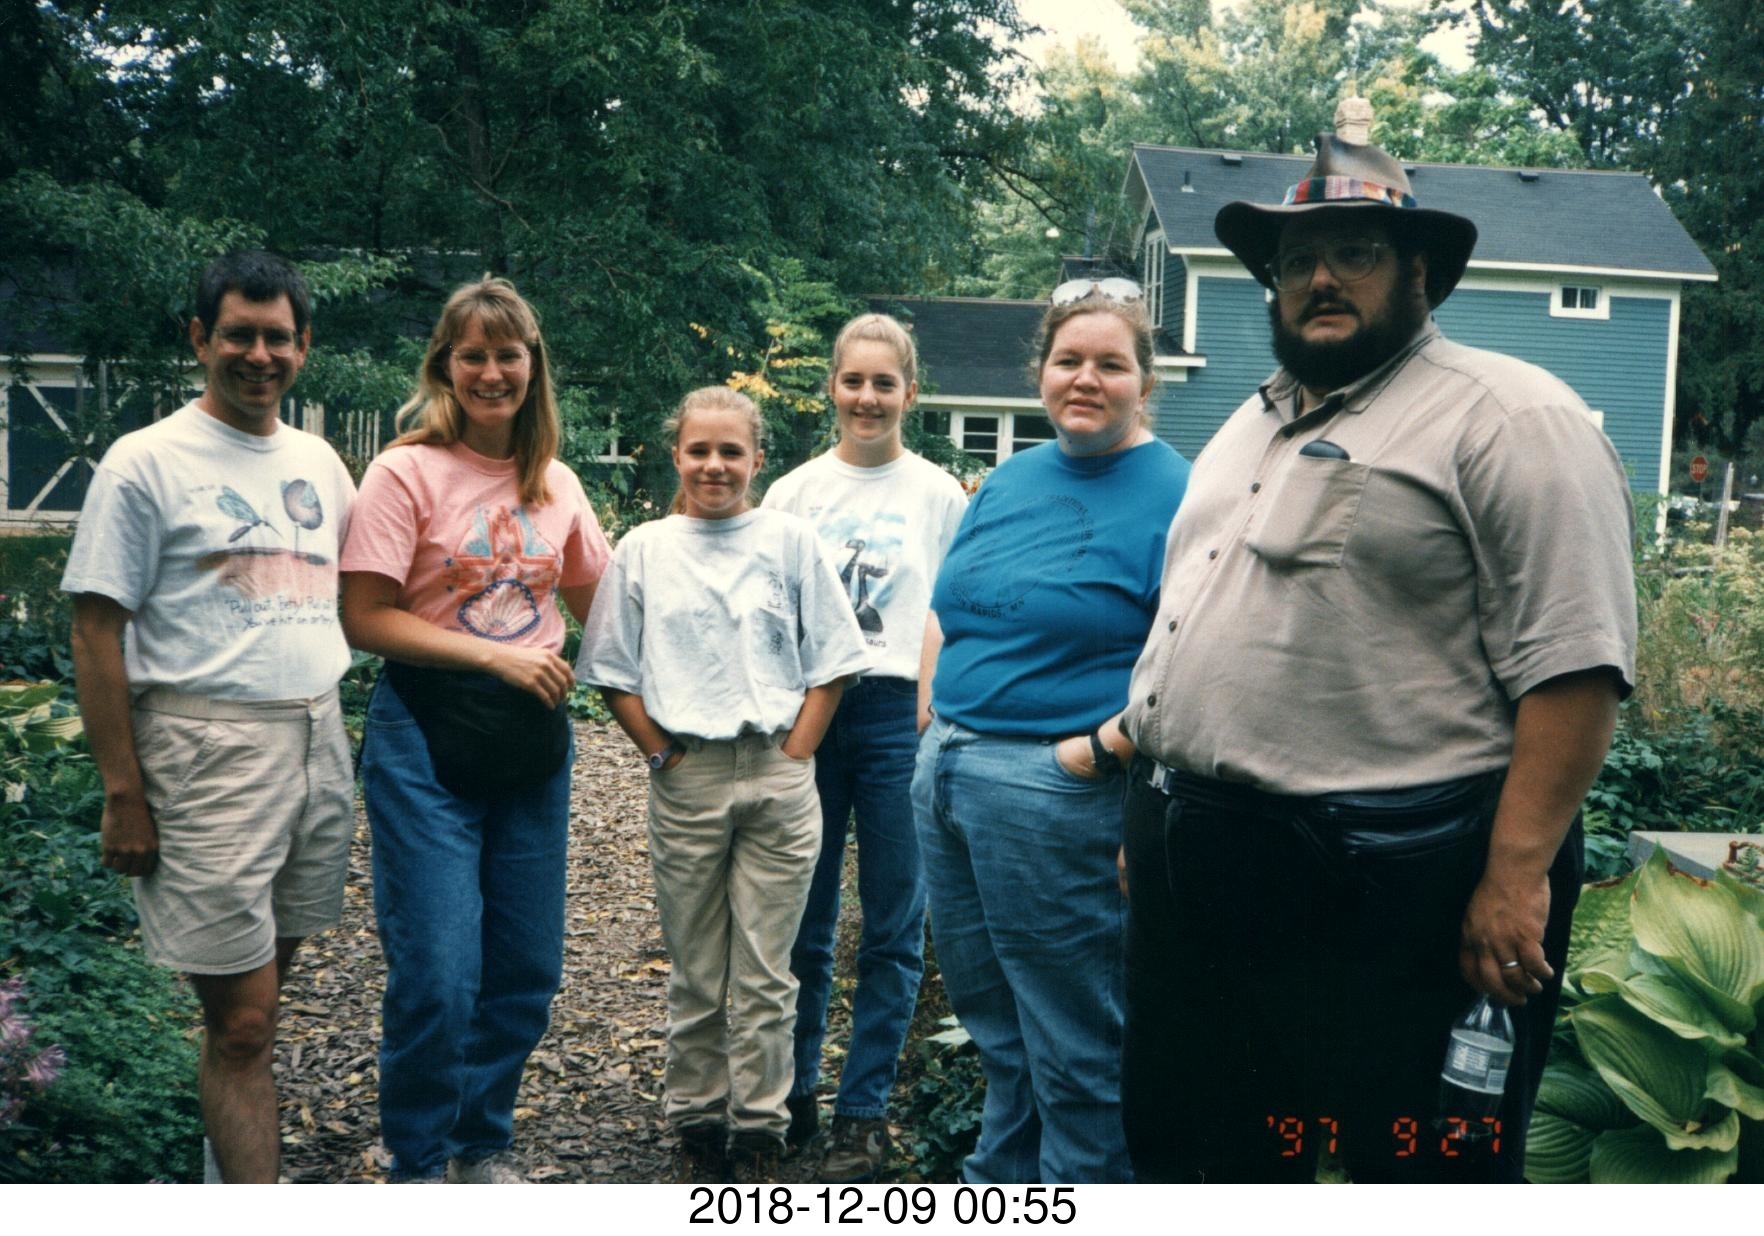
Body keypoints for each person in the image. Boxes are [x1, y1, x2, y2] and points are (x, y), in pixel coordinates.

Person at [1117, 128, 1637, 1182]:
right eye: (1296, 260)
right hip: (1204, 870)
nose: (1320, 279)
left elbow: (1577, 668)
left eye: (1354, 252)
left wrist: (1514, 877)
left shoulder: (1511, 417)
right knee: (1201, 1152)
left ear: (1419, 272)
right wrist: (1160, 816)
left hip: (1394, 887)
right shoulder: (1248, 424)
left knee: (1415, 1169)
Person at [63, 250, 357, 1183]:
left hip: (317, 740)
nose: (259, 355)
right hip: (204, 751)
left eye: (278, 338)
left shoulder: (318, 461)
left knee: (257, 1011)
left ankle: (220, 1179)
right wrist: (124, 792)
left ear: (304, 346)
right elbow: (95, 630)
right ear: (200, 338)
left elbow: (364, 593)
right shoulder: (146, 462)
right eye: (239, 335)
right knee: (242, 1023)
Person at [911, 282, 1190, 1183]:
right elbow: (948, 605)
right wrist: (932, 715)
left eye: (1111, 363)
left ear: (1144, 381)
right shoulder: (1010, 479)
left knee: (1077, 1048)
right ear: (1041, 372)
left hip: (1058, 793)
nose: (1086, 379)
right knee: (997, 1028)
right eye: (1069, 360)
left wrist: (1100, 752)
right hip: (949, 774)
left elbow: (1198, 656)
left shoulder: (1180, 495)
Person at [339, 276, 611, 1183]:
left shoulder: (556, 483)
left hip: (530, 736)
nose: (492, 373)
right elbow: (364, 618)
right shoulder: (404, 472)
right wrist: (493, 657)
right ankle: (417, 1161)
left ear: (534, 366)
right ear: (444, 367)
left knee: (526, 968)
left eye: (508, 355)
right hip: (427, 725)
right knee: (440, 971)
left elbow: (610, 612)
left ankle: (478, 1141)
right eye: (473, 356)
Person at [576, 386, 869, 1184]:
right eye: (699, 450)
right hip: (689, 774)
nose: (714, 465)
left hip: (776, 771)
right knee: (699, 966)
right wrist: (661, 756)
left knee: (768, 969)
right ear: (676, 455)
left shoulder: (789, 541)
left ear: (756, 459)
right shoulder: (645, 548)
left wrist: (799, 751)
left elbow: (834, 660)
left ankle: (760, 1124)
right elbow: (610, 668)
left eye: (731, 451)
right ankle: (699, 1114)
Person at [761, 314, 968, 1181]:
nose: (868, 397)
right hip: (813, 711)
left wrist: (932, 695)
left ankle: (863, 1110)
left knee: (892, 924)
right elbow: (767, 607)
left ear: (910, 393)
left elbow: (956, 604)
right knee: (801, 921)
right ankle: (792, 1093)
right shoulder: (794, 494)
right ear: (832, 387)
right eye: (854, 381)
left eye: (885, 383)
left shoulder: (939, 495)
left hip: (895, 714)